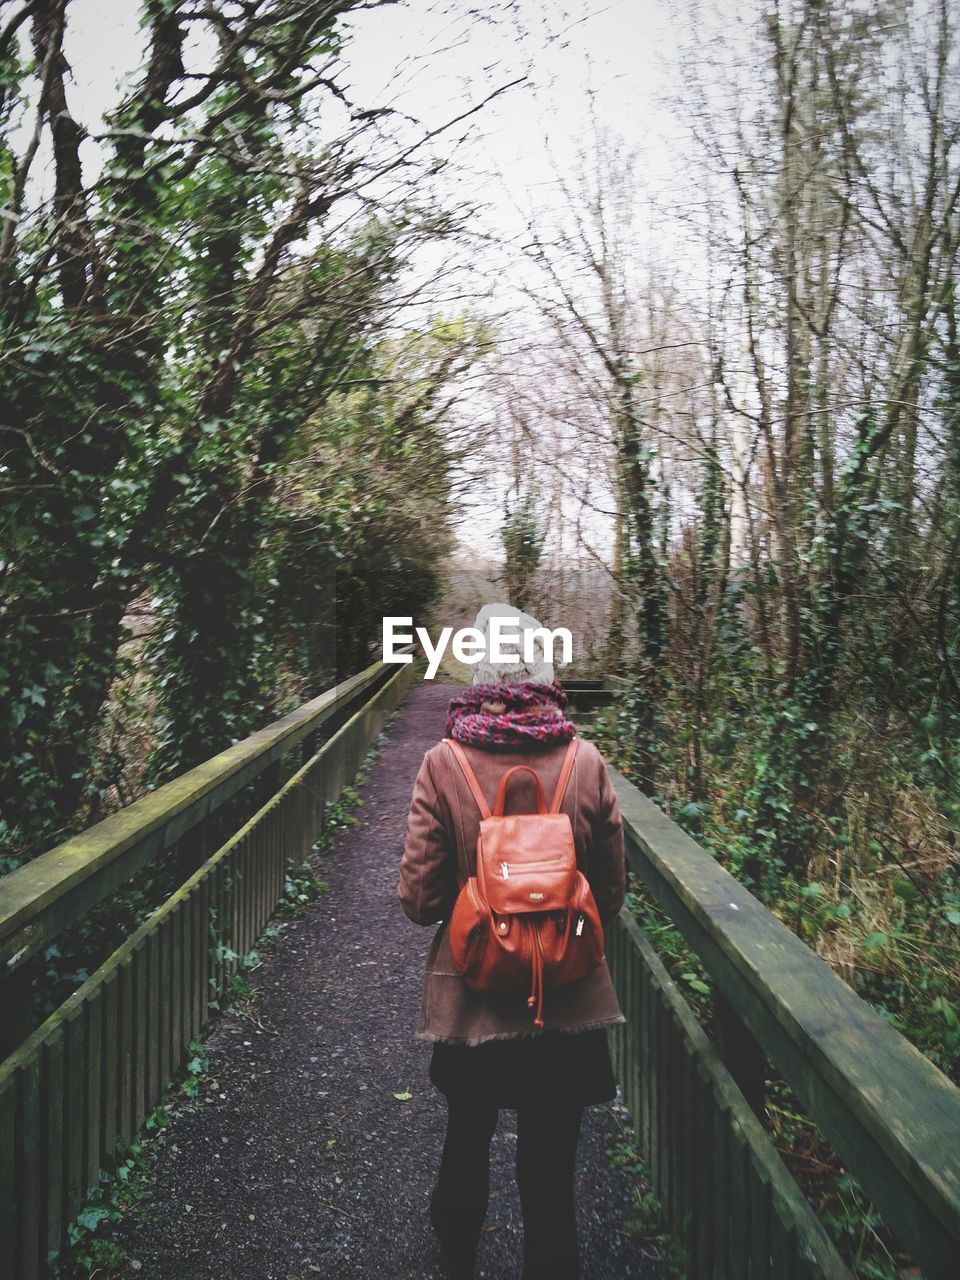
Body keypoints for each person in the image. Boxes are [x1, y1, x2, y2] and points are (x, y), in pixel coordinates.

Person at [397, 603, 626, 1280]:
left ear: (480, 667)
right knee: (551, 1180)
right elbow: (608, 894)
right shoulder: (585, 761)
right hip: (568, 1003)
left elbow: (419, 901)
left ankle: (457, 1256)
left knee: (467, 1137)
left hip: (472, 999)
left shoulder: (444, 763)